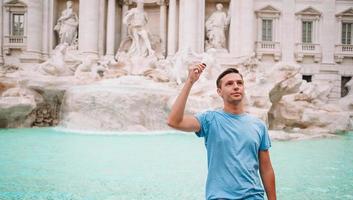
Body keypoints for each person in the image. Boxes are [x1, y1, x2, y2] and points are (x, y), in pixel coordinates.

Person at [167, 65, 276, 200]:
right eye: (229, 84)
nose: (236, 86)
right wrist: (190, 81)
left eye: (239, 83)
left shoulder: (258, 125)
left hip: (254, 197)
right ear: (219, 91)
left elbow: (266, 169)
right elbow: (174, 121)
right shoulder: (210, 120)